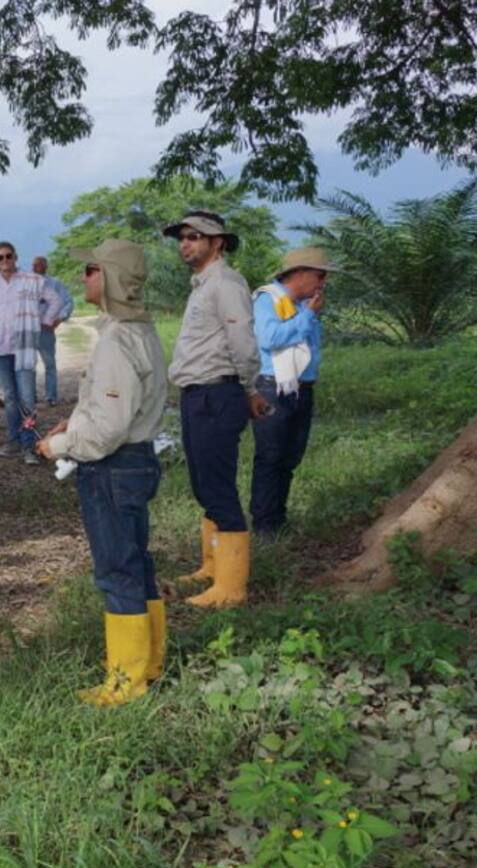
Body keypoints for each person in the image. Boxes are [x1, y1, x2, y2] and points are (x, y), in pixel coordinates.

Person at [37, 239, 167, 706]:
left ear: (109, 277)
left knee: (117, 570)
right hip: (137, 460)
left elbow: (108, 430)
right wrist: (74, 420)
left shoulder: (116, 339)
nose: (85, 277)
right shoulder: (137, 328)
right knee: (138, 563)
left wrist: (60, 445)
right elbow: (109, 406)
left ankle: (126, 683)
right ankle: (149, 665)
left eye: (92, 269)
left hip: (112, 467)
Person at [164, 210, 266, 609]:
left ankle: (231, 587)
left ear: (217, 242)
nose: (185, 243)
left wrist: (249, 387)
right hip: (197, 393)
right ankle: (212, 567)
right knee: (203, 484)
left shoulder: (226, 282)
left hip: (217, 393)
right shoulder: (203, 284)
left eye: (194, 236)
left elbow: (242, 342)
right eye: (182, 237)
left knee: (218, 486)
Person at [249, 247, 335, 537]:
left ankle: (278, 519)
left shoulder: (302, 304)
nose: (323, 282)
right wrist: (309, 315)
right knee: (271, 457)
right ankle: (263, 525)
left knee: (290, 457)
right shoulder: (268, 298)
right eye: (320, 275)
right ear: (299, 272)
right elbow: (271, 338)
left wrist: (308, 313)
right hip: (274, 388)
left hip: (302, 388)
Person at [0, 241, 65, 465]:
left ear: (15, 257)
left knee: (26, 397)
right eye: (1, 257)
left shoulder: (31, 280)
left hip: (24, 347)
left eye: (8, 256)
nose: (5, 261)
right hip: (0, 348)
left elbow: (56, 300)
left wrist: (45, 321)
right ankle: (13, 440)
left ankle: (29, 445)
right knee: (10, 396)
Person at [32, 255, 74, 405]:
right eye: (33, 265)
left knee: (49, 364)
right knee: (29, 364)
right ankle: (31, 396)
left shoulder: (55, 284)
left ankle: (51, 396)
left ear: (45, 266)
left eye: (38, 265)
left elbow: (68, 302)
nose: (35, 267)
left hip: (45, 331)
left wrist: (60, 319)